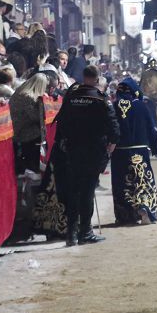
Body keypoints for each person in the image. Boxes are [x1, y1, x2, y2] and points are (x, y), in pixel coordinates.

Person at [51, 65, 120, 245]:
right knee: (88, 191)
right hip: (93, 150)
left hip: (73, 149)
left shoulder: (71, 96)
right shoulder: (101, 99)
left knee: (73, 191)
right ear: (97, 80)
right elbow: (114, 128)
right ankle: (85, 231)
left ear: (83, 77)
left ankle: (71, 234)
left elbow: (61, 122)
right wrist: (110, 147)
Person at [110, 77, 157, 226]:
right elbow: (152, 129)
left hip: (120, 153)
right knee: (142, 181)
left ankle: (126, 215)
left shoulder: (114, 106)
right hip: (140, 151)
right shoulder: (141, 106)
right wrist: (155, 148)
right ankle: (144, 208)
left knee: (122, 185)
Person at [9, 73, 49, 175]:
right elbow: (36, 117)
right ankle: (33, 168)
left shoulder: (19, 92)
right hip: (23, 132)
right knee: (38, 134)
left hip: (15, 128)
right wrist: (42, 103)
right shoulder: (29, 97)